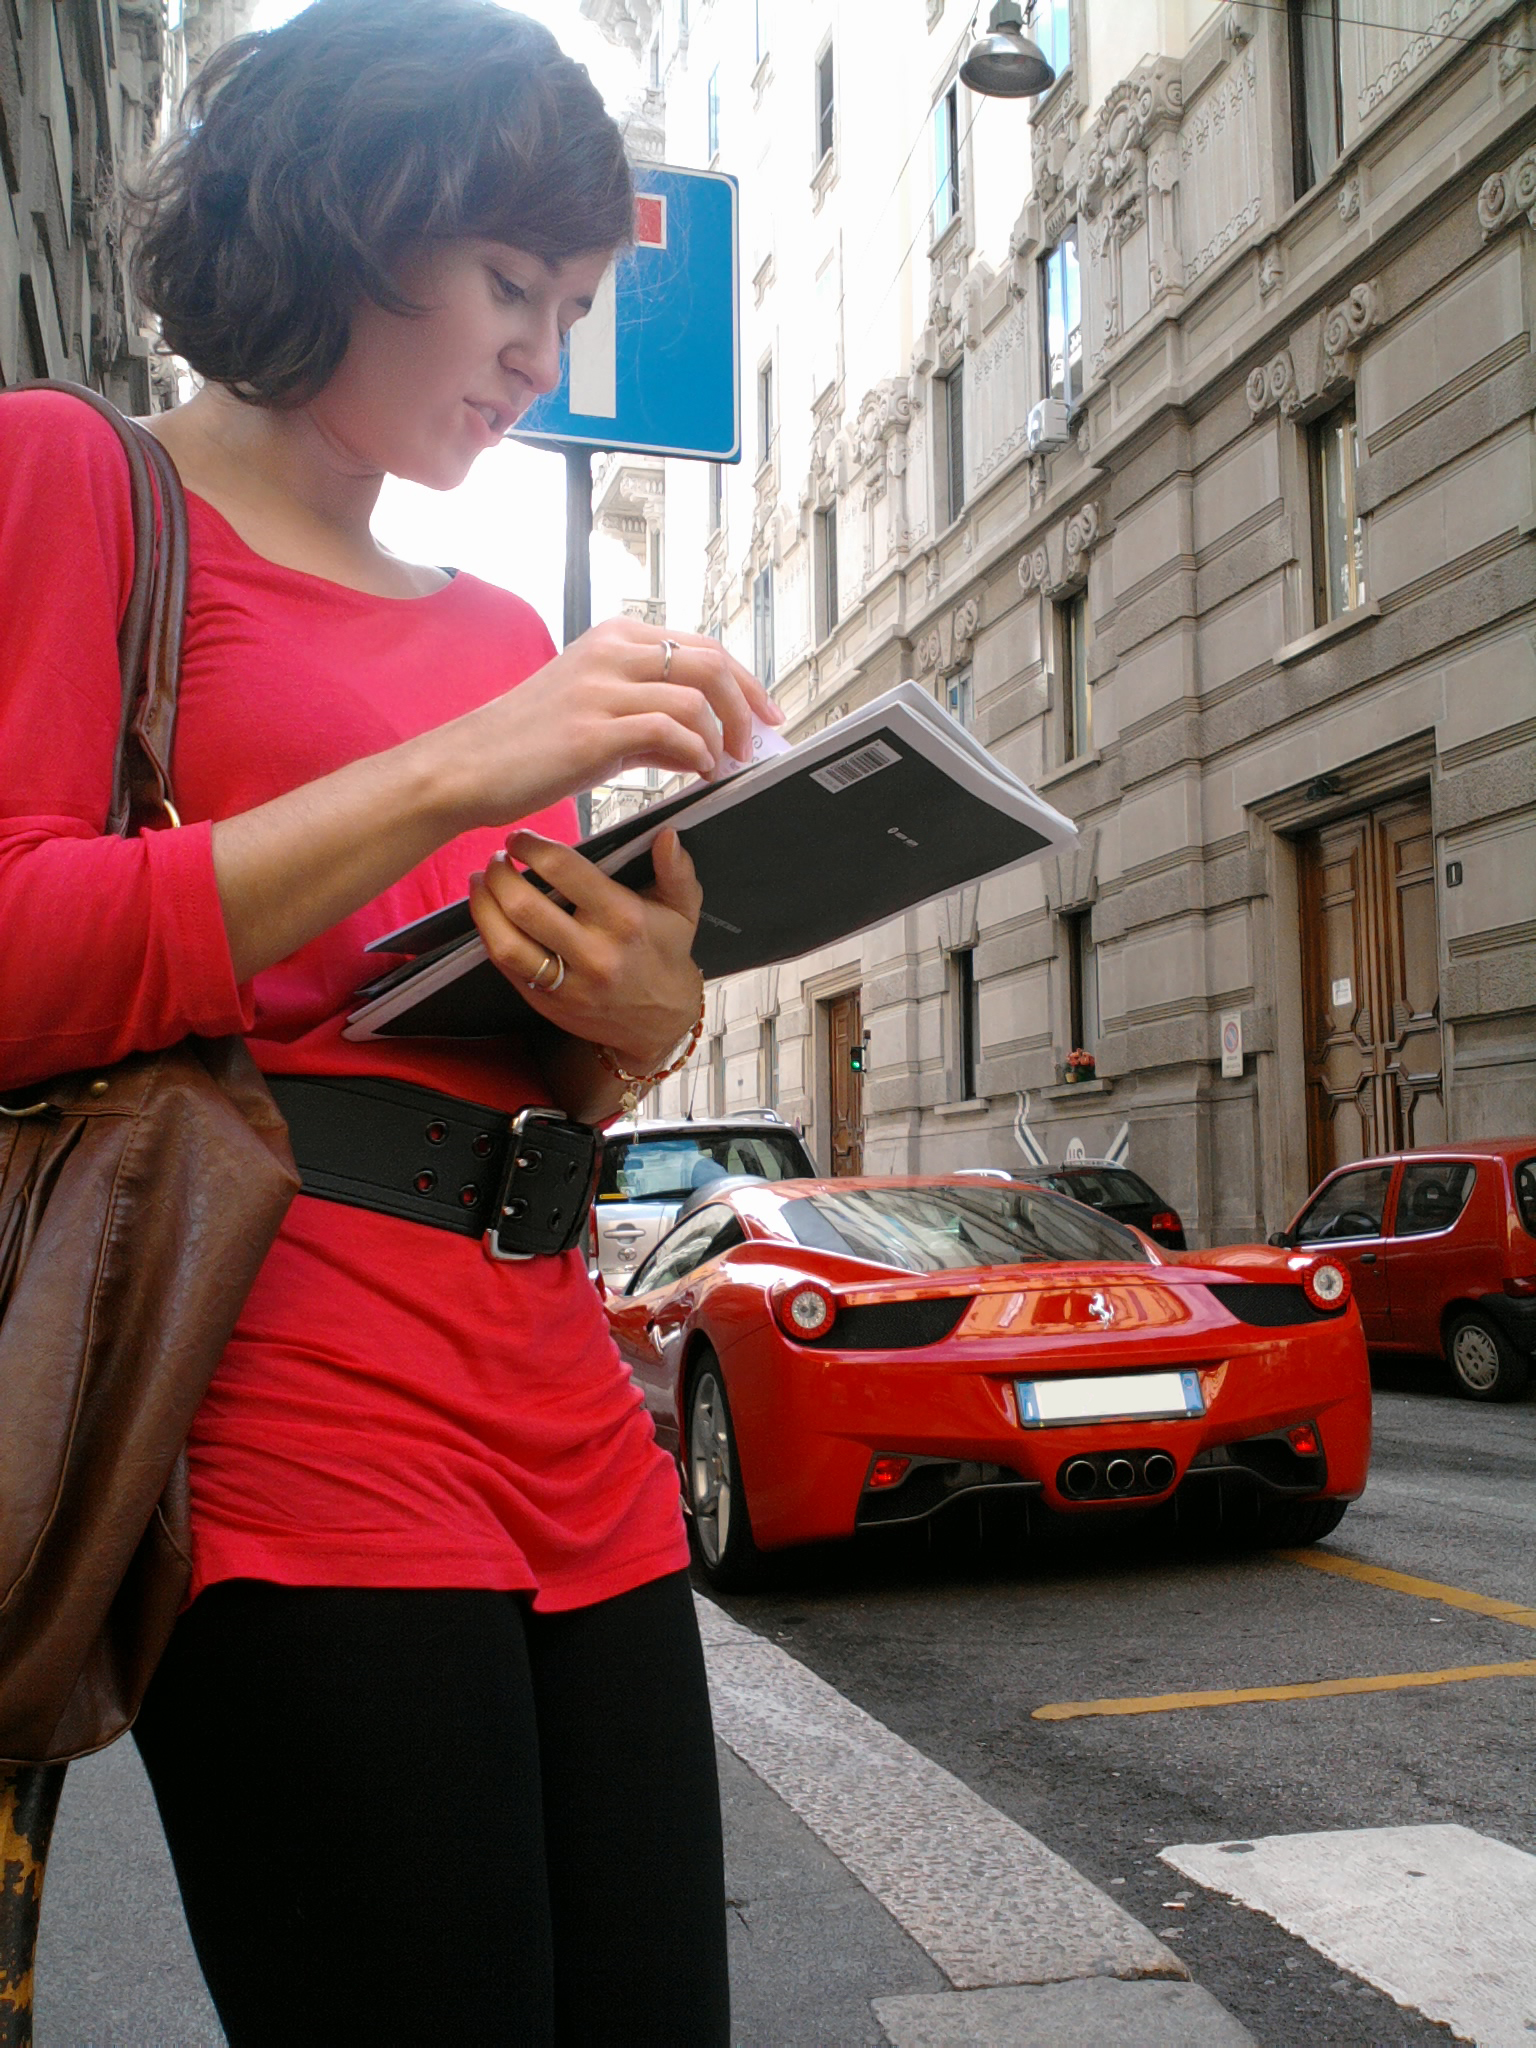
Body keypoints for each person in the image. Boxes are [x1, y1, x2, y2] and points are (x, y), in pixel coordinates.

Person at [0, 3, 779, 2039]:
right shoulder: (81, 480)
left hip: (558, 1388)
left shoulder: (503, 632)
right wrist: (461, 769)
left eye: (579, 301)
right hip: (276, 1404)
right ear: (346, 223)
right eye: (510, 283)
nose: (544, 350)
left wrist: (637, 1017)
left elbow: (506, 1036)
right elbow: (18, 950)